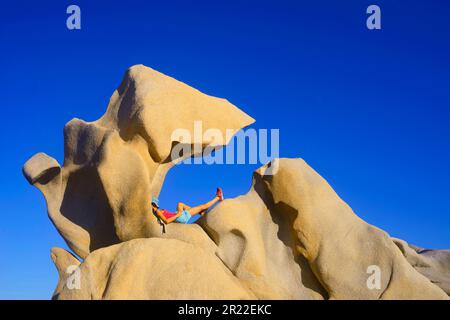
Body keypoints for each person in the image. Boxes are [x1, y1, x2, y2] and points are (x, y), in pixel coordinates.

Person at [151, 188, 224, 225]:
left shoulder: (156, 212)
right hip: (180, 217)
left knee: (180, 204)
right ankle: (218, 197)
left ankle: (200, 213)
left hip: (179, 216)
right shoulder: (157, 212)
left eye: (155, 205)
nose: (154, 207)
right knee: (202, 206)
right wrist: (178, 215)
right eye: (153, 205)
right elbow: (166, 221)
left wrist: (177, 214)